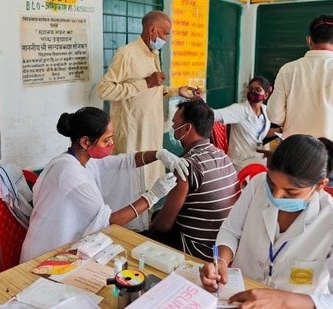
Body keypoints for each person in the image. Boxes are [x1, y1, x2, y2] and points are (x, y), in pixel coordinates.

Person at [199, 134, 333, 308]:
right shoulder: (257, 186)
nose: (276, 195)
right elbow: (231, 230)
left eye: (291, 192)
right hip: (240, 295)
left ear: (320, 185)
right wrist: (221, 263)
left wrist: (283, 299)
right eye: (271, 184)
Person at [20, 107, 188, 262]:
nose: (111, 144)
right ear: (85, 142)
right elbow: (109, 220)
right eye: (106, 140)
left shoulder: (82, 160)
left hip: (62, 247)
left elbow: (123, 162)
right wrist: (152, 196)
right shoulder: (70, 174)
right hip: (45, 254)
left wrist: (159, 154)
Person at [97, 10, 201, 190]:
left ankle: (149, 215)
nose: (166, 39)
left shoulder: (153, 53)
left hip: (151, 132)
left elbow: (151, 91)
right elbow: (104, 90)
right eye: (165, 33)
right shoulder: (126, 53)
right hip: (132, 134)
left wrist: (177, 91)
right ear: (152, 30)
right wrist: (145, 82)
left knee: (150, 184)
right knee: (130, 186)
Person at [267, 14, 333, 188]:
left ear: (309, 40)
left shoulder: (288, 70)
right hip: (331, 155)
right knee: (325, 206)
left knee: (293, 203)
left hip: (295, 151)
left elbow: (274, 115)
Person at [148, 99, 240, 261]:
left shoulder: (186, 165)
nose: (173, 127)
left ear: (187, 128)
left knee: (151, 227)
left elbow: (163, 226)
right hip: (226, 246)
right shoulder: (221, 154)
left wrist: (152, 222)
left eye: (175, 123)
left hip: (199, 251)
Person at [213, 76, 281, 171]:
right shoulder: (238, 110)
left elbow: (261, 131)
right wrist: (198, 101)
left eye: (257, 90)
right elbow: (214, 114)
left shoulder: (266, 111)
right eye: (250, 89)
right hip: (240, 162)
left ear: (266, 95)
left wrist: (280, 130)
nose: (253, 92)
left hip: (258, 157)